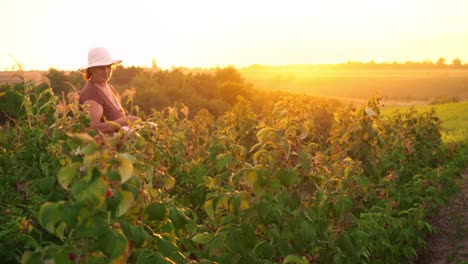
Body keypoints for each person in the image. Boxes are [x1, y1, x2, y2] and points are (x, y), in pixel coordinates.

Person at [79, 47, 140, 133]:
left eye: (108, 67)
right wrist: (124, 121)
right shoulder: (92, 93)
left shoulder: (110, 88)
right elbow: (93, 129)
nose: (106, 71)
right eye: (101, 68)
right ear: (92, 70)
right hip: (102, 146)